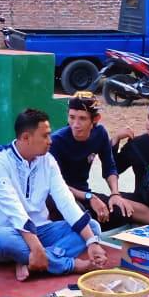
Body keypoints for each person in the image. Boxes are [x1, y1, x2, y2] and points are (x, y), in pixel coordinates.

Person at [0, 109, 107, 281]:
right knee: (0, 239)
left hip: (42, 230)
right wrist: (36, 248)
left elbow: (66, 201)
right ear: (26, 137)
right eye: (45, 136)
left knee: (92, 228)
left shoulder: (48, 160)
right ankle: (68, 264)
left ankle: (31, 261)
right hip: (8, 232)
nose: (50, 141)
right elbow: (13, 210)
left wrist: (92, 242)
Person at [49, 92, 141, 230]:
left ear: (95, 119)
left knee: (128, 209)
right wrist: (89, 197)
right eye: (72, 117)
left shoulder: (100, 133)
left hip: (85, 194)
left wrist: (115, 194)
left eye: (82, 119)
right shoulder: (56, 141)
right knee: (83, 221)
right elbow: (56, 185)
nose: (75, 124)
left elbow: (109, 167)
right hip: (60, 197)